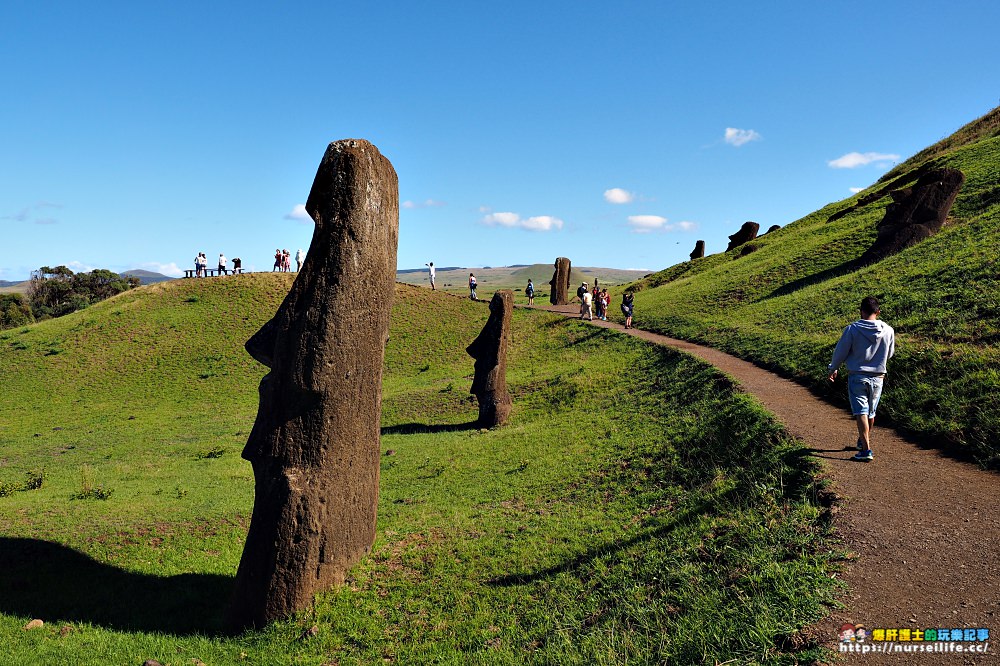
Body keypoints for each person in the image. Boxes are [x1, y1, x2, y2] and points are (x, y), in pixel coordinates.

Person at [827, 296, 896, 462]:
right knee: (870, 412)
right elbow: (890, 354)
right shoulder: (889, 330)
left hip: (857, 375)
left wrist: (833, 367)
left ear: (861, 311)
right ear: (878, 312)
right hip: (879, 376)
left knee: (861, 412)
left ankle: (866, 450)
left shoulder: (852, 329)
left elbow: (841, 352)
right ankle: (863, 440)